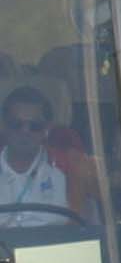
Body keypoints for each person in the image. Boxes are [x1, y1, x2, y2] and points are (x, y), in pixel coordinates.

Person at [0, 83, 91, 226]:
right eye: (16, 124)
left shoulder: (70, 167)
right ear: (3, 126)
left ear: (46, 130)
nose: (25, 132)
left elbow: (83, 228)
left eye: (34, 126)